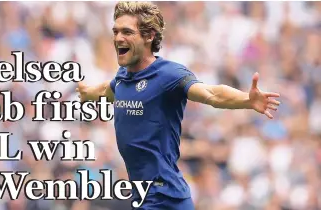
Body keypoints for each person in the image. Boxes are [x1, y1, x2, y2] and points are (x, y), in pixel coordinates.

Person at [76, 2, 280, 209]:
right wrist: (88, 93)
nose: (118, 38)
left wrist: (246, 100)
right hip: (143, 195)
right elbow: (108, 90)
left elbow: (210, 93)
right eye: (116, 31)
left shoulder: (168, 75)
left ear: (149, 36)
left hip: (165, 198)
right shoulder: (122, 77)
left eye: (127, 32)